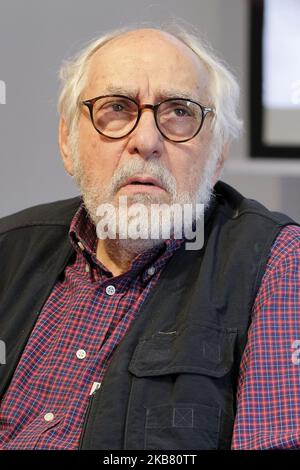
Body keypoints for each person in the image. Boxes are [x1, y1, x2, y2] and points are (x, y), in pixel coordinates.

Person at [0, 24, 299, 451]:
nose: (145, 140)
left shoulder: (278, 264)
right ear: (68, 142)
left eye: (179, 111)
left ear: (217, 153)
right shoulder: (8, 249)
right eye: (117, 107)